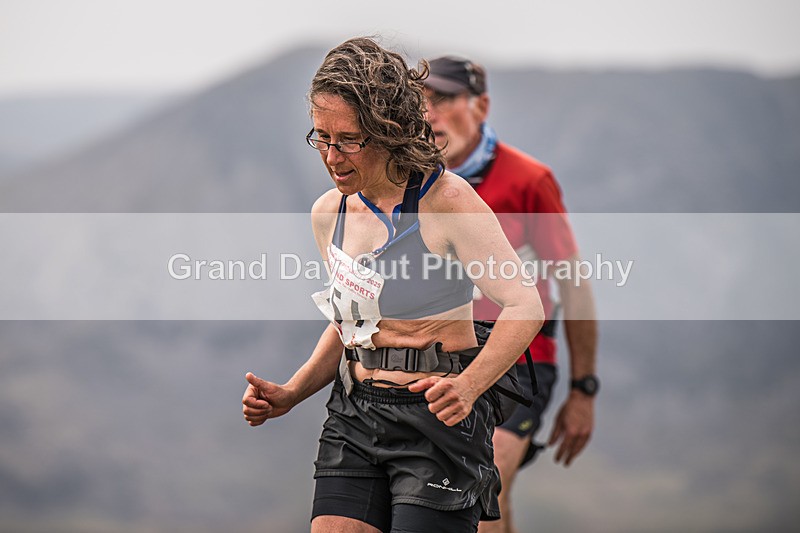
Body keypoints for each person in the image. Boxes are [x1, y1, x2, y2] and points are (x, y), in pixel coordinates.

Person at [242, 38, 545, 533]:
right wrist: (292, 392)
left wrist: (469, 387)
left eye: (349, 140)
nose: (332, 156)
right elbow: (350, 324)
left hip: (438, 420)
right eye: (322, 137)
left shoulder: (446, 201)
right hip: (355, 414)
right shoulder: (329, 213)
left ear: (390, 130)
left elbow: (524, 304)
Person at [422, 56, 599, 533]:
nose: (429, 113)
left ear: (481, 106)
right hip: (436, 358)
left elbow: (574, 286)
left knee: (487, 478)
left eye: (444, 99)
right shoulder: (407, 182)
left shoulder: (528, 181)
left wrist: (583, 391)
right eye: (420, 101)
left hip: (521, 359)